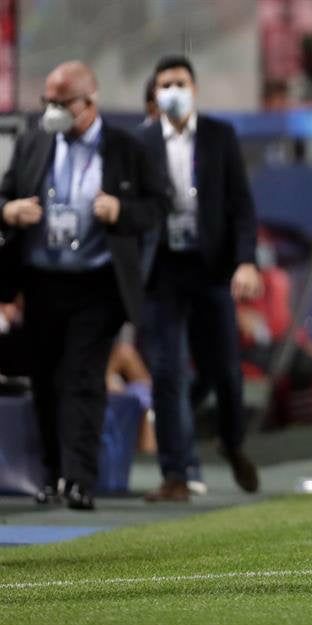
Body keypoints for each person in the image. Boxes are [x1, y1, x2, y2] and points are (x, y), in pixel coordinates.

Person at [0, 60, 164, 510]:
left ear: (89, 103)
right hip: (40, 282)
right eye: (47, 101)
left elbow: (155, 208)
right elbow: (5, 193)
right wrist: (9, 212)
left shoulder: (125, 148)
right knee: (46, 381)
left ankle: (80, 480)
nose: (51, 110)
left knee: (84, 379)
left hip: (97, 285)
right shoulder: (34, 142)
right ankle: (52, 474)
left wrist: (121, 212)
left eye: (60, 102)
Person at [137, 55, 263, 502]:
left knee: (226, 371)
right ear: (155, 94)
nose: (174, 90)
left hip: (211, 267)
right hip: (162, 270)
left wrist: (246, 261)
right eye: (165, 83)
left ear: (194, 87)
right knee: (167, 373)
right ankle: (176, 473)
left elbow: (242, 207)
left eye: (181, 82)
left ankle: (231, 442)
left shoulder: (219, 136)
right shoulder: (142, 142)